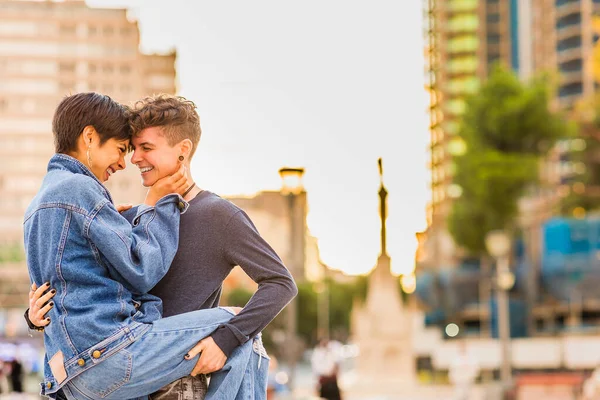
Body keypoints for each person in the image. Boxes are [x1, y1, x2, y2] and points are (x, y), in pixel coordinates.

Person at [27, 93, 298, 399]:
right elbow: (80, 282)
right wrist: (35, 314)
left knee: (245, 333)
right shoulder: (125, 216)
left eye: (146, 148)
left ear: (183, 150)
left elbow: (280, 283)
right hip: (125, 372)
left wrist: (226, 339)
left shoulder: (219, 216)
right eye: (131, 148)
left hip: (176, 382)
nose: (133, 159)